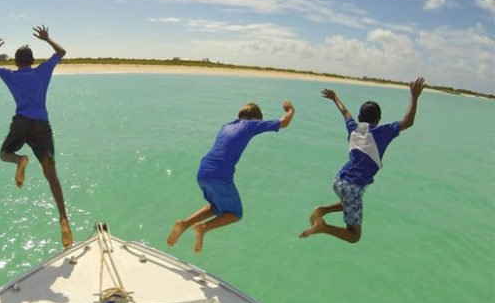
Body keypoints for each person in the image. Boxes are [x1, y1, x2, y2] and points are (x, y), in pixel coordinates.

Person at [299, 77, 425, 243]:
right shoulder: (383, 132)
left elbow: (345, 113)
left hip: (338, 180)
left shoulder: (353, 128)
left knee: (350, 201)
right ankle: (323, 227)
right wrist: (414, 97)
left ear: (359, 117)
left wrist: (335, 97)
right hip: (352, 186)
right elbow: (408, 121)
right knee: (354, 236)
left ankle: (322, 210)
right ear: (379, 119)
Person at [167, 100, 295, 253]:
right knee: (235, 214)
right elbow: (284, 122)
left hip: (203, 171)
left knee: (217, 207)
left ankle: (185, 224)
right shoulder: (251, 124)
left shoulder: (226, 126)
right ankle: (203, 228)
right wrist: (290, 110)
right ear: (256, 118)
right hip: (220, 174)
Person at [0, 25, 73, 248]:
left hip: (21, 123)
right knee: (51, 174)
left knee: (4, 153)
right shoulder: (42, 71)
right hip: (41, 125)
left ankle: (20, 160)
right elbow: (61, 52)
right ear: (33, 61)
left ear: (16, 62)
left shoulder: (10, 75)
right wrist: (47, 38)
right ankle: (63, 218)